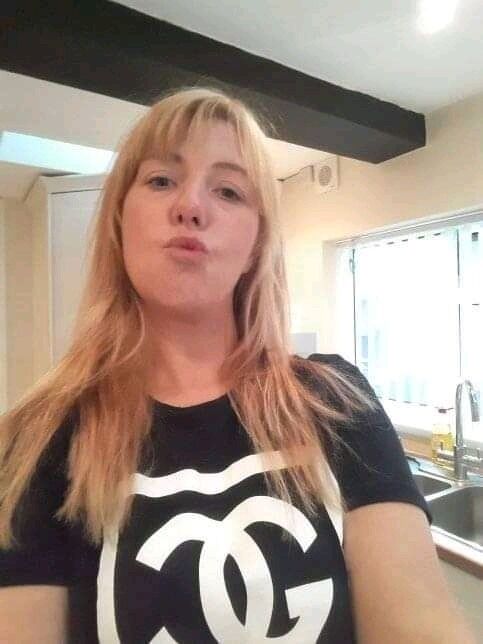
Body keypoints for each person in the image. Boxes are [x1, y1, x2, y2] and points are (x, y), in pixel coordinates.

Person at [0, 86, 476, 644]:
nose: (190, 206)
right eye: (161, 180)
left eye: (228, 191)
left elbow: (419, 625)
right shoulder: (40, 436)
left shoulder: (337, 403)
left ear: (256, 245)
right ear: (119, 222)